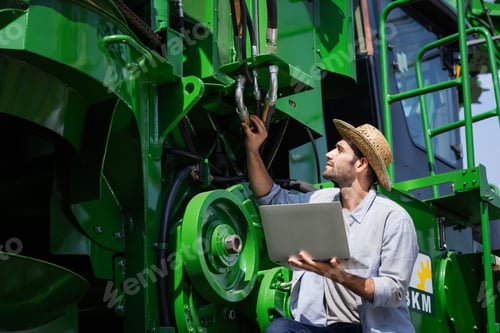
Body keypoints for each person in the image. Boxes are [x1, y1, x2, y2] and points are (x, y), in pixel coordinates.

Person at [242, 115, 418, 333]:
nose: (329, 153)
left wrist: (336, 275)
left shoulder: (394, 218)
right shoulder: (319, 200)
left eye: (339, 150)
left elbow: (393, 291)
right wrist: (252, 149)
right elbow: (270, 197)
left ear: (361, 164)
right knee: (280, 329)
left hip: (368, 329)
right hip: (324, 328)